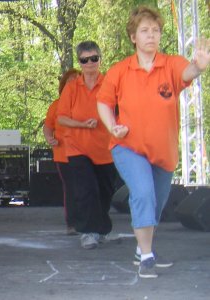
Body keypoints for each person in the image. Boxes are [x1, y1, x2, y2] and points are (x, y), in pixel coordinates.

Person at [96, 6, 210, 278]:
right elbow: (103, 103)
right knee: (143, 193)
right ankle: (147, 256)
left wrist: (198, 66)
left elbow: (187, 73)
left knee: (156, 204)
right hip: (128, 147)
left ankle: (140, 249)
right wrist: (113, 126)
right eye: (145, 30)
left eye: (156, 30)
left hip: (164, 152)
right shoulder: (119, 71)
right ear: (133, 37)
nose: (151, 35)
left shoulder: (170, 64)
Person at [56, 41, 119, 250]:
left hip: (105, 149)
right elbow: (61, 118)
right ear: (79, 62)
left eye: (94, 58)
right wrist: (82, 124)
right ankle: (88, 232)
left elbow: (123, 111)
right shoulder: (72, 87)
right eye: (85, 60)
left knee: (104, 192)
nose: (90, 63)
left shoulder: (111, 84)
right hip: (77, 148)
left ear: (100, 59)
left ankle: (102, 229)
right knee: (86, 189)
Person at [42, 69, 81, 236]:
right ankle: (72, 223)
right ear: (63, 85)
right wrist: (49, 138)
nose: (73, 84)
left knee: (86, 187)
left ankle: (88, 221)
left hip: (86, 152)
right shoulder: (56, 105)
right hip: (63, 153)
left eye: (77, 81)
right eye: (69, 81)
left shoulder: (89, 103)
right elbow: (48, 126)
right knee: (71, 188)